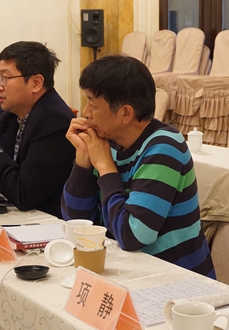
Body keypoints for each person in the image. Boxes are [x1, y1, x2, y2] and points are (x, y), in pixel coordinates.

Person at [61, 55, 215, 278]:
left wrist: (105, 167)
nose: (85, 113)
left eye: (93, 105)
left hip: (177, 280)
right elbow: (76, 225)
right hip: (126, 271)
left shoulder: (164, 147)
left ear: (125, 113)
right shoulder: (107, 142)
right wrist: (83, 160)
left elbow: (133, 235)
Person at [0, 41, 75, 217]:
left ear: (36, 83)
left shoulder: (54, 121)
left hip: (49, 224)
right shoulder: (9, 116)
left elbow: (24, 194)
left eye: (5, 78)